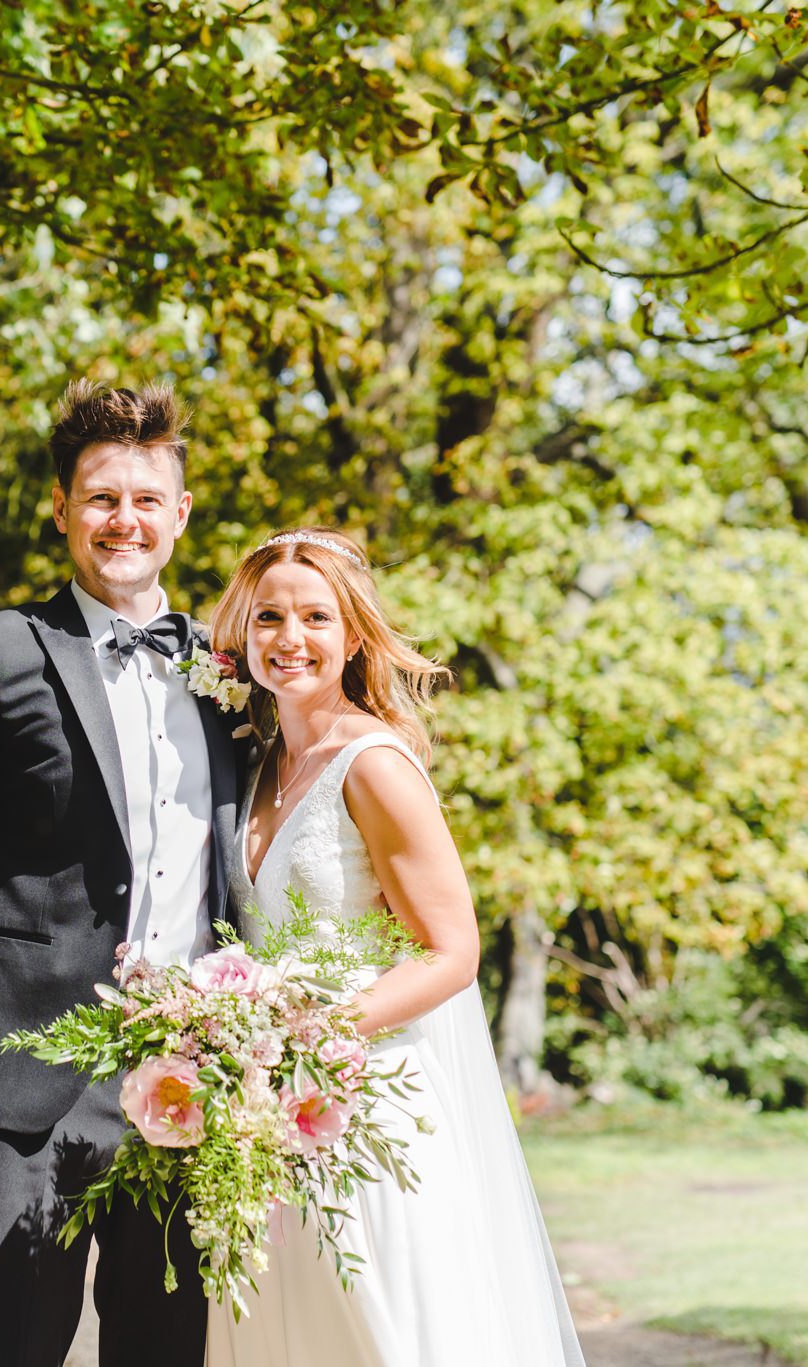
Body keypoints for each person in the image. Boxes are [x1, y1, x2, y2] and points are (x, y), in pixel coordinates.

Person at [0, 380, 248, 1367]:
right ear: (60, 508)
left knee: (166, 1346)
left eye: (142, 498)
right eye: (98, 497)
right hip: (25, 1084)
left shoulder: (226, 669)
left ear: (179, 512)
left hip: (186, 1080)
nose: (121, 519)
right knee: (8, 1347)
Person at [203, 527, 585, 1367]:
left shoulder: (374, 765)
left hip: (369, 1101)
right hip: (271, 1111)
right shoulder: (258, 763)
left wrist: (313, 1031)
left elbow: (453, 950)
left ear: (353, 636)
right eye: (269, 616)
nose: (290, 638)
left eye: (316, 617)